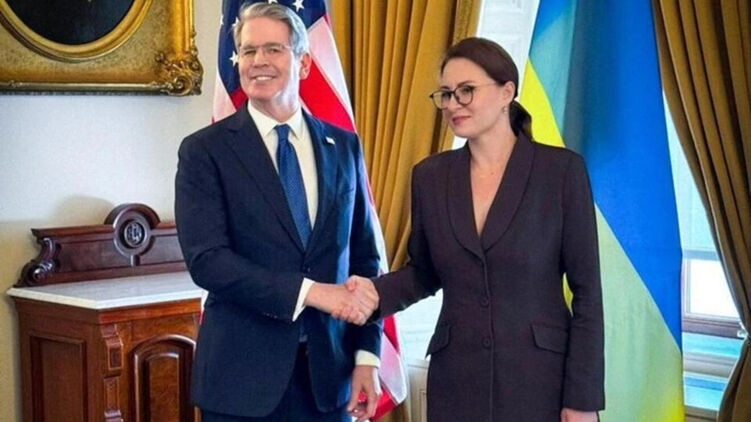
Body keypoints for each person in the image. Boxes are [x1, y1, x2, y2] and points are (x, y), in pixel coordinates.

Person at [342, 37, 605, 421]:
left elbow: (588, 294)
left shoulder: (561, 172)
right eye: (446, 94)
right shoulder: (430, 176)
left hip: (540, 383)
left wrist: (582, 400)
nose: (453, 104)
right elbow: (424, 273)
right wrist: (371, 295)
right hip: (456, 382)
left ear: (506, 93)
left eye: (466, 91)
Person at [175, 3, 381, 421]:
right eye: (248, 51)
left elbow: (364, 259)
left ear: (303, 63)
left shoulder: (343, 147)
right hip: (241, 385)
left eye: (273, 49)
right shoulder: (205, 151)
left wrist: (366, 356)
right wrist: (311, 292)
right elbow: (208, 261)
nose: (258, 61)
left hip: (328, 381)